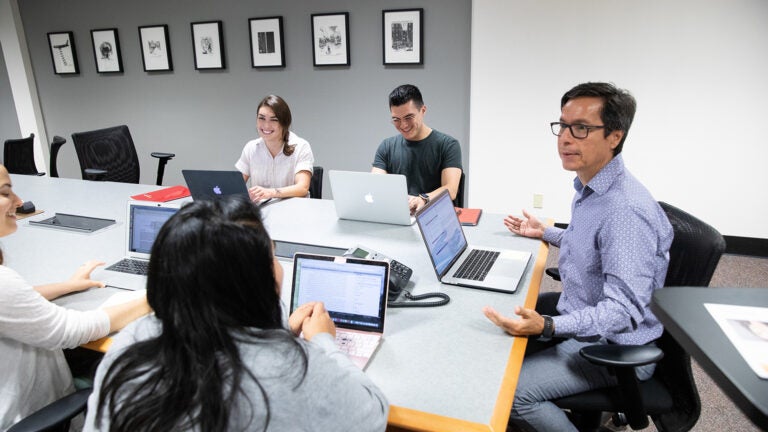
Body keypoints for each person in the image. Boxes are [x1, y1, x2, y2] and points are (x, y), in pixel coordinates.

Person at [84, 197, 389, 431]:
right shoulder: (295, 369)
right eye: (271, 256)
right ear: (254, 281)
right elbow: (372, 414)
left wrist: (278, 329)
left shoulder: (130, 345)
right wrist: (322, 340)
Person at [483, 82, 673, 432]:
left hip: (614, 347)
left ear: (615, 136)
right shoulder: (594, 186)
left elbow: (621, 312)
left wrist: (550, 326)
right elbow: (592, 245)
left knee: (510, 393)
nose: (565, 139)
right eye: (563, 126)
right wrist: (545, 232)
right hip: (583, 314)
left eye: (581, 129)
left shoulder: (625, 210)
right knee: (493, 343)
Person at [0, 164, 150, 429]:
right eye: (5, 192)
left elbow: (14, 301)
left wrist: (68, 285)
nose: (19, 202)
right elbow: (76, 330)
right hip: (23, 414)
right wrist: (157, 296)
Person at [372, 84, 463, 213]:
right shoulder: (386, 146)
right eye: (396, 119)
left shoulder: (448, 145)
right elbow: (376, 184)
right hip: (399, 214)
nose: (403, 125)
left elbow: (451, 189)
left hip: (433, 215)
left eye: (409, 117)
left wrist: (423, 199)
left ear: (423, 111)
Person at [236, 94, 315, 201]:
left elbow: (302, 188)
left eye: (274, 120)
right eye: (261, 118)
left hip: (293, 211)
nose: (266, 125)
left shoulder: (301, 146)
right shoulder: (251, 148)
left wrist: (270, 192)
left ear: (284, 122)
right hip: (261, 212)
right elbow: (235, 186)